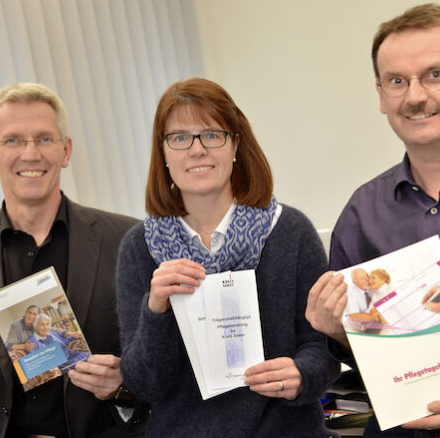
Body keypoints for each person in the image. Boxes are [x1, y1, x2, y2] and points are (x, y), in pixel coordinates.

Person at [306, 3, 440, 438]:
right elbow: (364, 351)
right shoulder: (361, 213)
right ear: (381, 95)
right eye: (396, 81)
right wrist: (339, 330)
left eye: (435, 74)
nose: (415, 96)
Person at [0, 82, 147, 437]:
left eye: (44, 138)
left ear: (66, 151)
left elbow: (169, 370)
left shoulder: (128, 241)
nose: (30, 153)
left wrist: (124, 385)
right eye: (12, 140)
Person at [116, 77, 340, 437]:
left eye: (212, 134)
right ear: (164, 153)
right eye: (179, 138)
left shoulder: (290, 230)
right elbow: (144, 385)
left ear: (235, 144)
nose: (197, 149)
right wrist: (156, 308)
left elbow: (323, 346)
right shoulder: (139, 248)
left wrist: (302, 375)